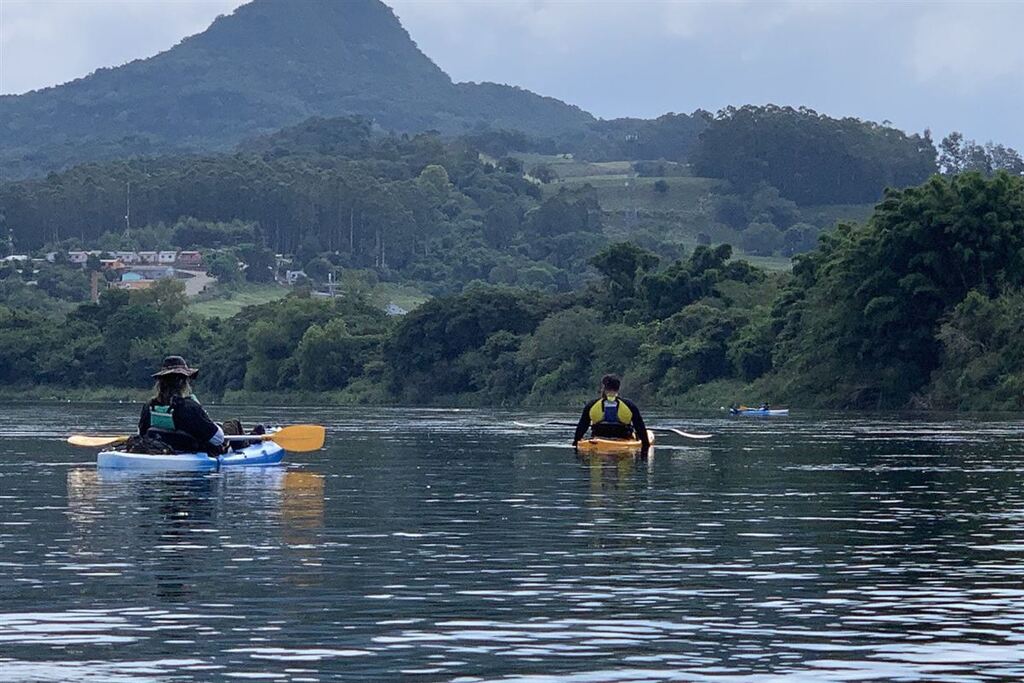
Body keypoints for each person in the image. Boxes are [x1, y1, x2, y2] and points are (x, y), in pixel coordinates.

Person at [138, 356, 225, 455]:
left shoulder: (149, 406)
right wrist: (205, 416)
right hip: (190, 454)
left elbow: (142, 435)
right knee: (232, 425)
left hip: (159, 451)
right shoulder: (190, 407)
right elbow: (218, 439)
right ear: (182, 383)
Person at [573, 374, 650, 452]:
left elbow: (582, 427)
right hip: (623, 442)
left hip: (598, 440)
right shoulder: (629, 405)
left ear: (603, 388)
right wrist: (646, 444)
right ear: (618, 388)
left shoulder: (591, 405)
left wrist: (576, 442)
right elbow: (639, 427)